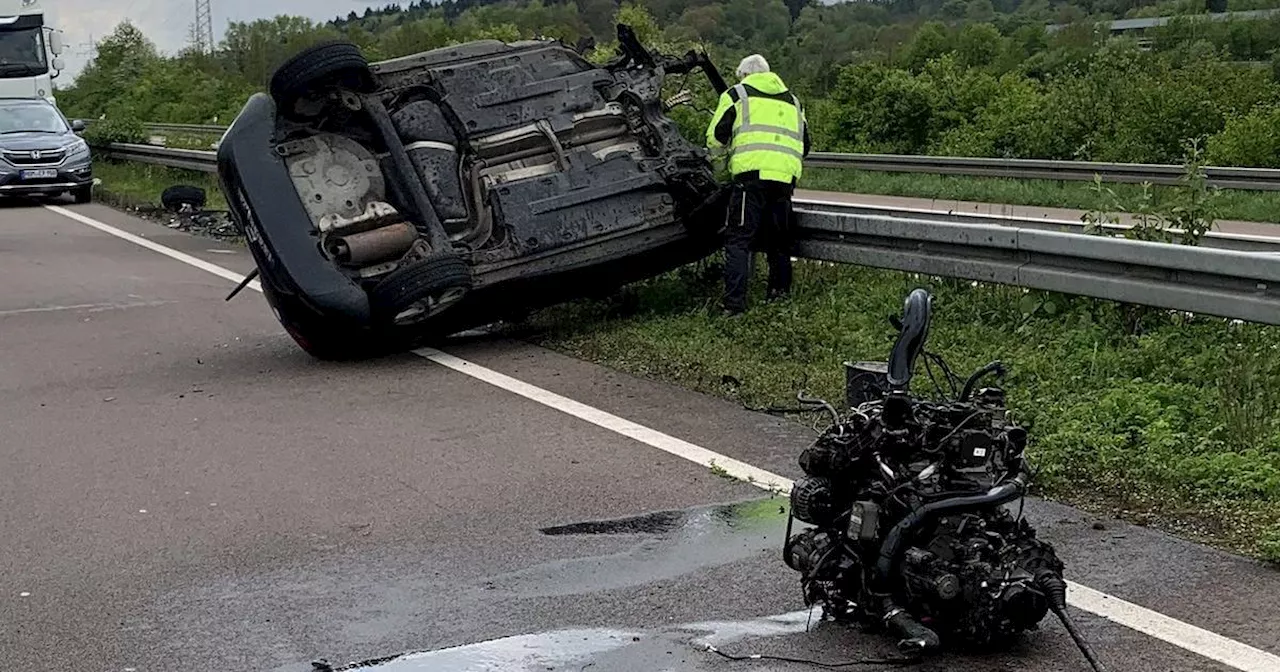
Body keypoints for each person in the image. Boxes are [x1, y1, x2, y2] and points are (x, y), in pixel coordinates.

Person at [705, 54, 811, 316]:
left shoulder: (737, 95)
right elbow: (805, 144)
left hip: (749, 180)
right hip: (784, 181)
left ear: (744, 75)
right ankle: (779, 298)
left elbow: (716, 139)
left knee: (739, 240)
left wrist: (721, 175)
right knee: (779, 242)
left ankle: (734, 306)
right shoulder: (794, 102)